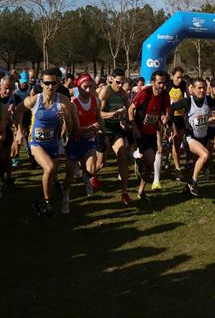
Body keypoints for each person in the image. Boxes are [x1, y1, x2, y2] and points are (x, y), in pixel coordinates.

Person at [14, 68, 75, 217]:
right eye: (47, 83)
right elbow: (18, 111)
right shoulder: (35, 100)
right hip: (36, 143)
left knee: (52, 174)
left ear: (58, 83)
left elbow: (70, 129)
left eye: (53, 83)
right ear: (41, 84)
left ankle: (41, 200)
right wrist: (19, 131)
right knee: (50, 167)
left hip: (53, 143)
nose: (50, 86)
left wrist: (66, 118)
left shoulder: (64, 101)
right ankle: (47, 203)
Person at [168, 77, 215, 197]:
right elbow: (172, 108)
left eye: (204, 88)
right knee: (205, 155)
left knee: (197, 165)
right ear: (193, 89)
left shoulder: (208, 100)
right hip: (190, 137)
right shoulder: (188, 101)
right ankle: (193, 181)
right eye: (199, 88)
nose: (202, 90)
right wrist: (171, 125)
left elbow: (214, 110)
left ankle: (188, 186)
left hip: (203, 137)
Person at [128, 70, 170, 200]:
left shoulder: (165, 95)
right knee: (151, 160)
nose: (162, 86)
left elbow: (166, 113)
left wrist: (164, 118)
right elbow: (131, 109)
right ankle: (138, 157)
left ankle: (141, 191)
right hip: (140, 132)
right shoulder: (145, 92)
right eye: (159, 83)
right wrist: (134, 127)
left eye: (164, 83)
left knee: (149, 166)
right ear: (153, 82)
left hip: (153, 132)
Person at [64, 73, 102, 213]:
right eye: (85, 87)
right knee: (69, 176)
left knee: (91, 169)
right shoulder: (73, 104)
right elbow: (75, 131)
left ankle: (87, 181)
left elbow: (99, 118)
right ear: (78, 87)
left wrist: (103, 134)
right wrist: (91, 128)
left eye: (91, 87)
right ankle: (66, 197)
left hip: (89, 141)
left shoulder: (96, 101)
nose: (88, 90)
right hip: (74, 142)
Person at [97, 68, 132, 205]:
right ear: (111, 79)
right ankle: (89, 176)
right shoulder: (105, 91)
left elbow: (129, 110)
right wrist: (114, 114)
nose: (120, 85)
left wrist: (130, 123)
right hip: (103, 130)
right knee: (101, 164)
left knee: (122, 154)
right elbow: (98, 113)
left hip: (116, 130)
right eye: (117, 82)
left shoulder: (123, 93)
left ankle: (125, 192)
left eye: (122, 82)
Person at [167, 67, 188, 180]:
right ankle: (178, 168)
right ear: (172, 76)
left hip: (180, 117)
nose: (179, 80)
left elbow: (188, 98)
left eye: (181, 77)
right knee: (175, 140)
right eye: (177, 77)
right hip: (170, 117)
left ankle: (171, 156)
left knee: (178, 142)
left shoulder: (184, 85)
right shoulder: (167, 85)